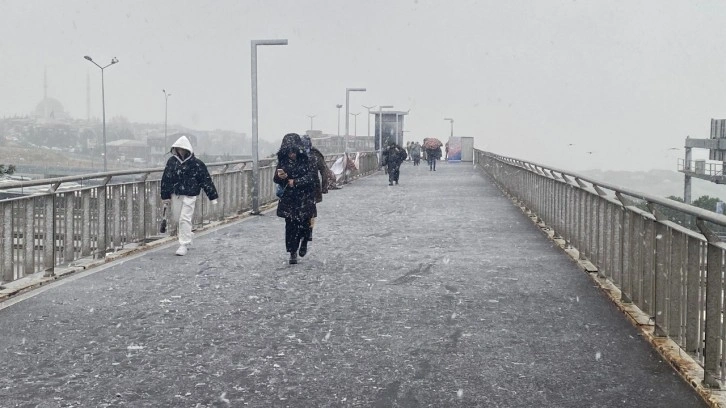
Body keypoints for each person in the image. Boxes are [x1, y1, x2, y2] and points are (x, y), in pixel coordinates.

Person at [160, 135, 218, 256]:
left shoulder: (196, 164)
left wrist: (212, 196)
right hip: (176, 195)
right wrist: (165, 195)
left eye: (182, 148)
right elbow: (166, 179)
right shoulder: (172, 162)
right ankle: (187, 234)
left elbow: (205, 180)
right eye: (178, 148)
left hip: (190, 195)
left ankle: (183, 244)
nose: (180, 151)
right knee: (177, 218)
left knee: (184, 218)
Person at [273, 133, 318, 264]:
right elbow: (275, 178)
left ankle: (304, 241)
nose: (291, 154)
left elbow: (312, 178)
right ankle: (292, 251)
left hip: (305, 197)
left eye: (293, 152)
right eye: (289, 152)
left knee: (305, 224)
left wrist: (296, 182)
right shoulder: (283, 161)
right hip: (290, 199)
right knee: (291, 226)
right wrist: (280, 177)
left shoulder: (308, 160)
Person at [301, 134, 329, 242]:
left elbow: (323, 171)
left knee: (308, 212)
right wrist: (324, 186)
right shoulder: (315, 154)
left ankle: (307, 231)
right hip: (311, 187)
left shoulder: (304, 155)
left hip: (308, 188)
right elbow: (324, 170)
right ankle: (308, 232)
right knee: (310, 212)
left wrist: (324, 186)